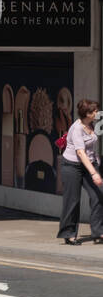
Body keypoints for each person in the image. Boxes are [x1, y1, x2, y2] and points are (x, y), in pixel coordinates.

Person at [58, 98, 103, 245]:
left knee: (98, 196)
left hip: (89, 163)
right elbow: (80, 153)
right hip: (72, 166)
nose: (97, 113)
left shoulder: (92, 124)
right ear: (87, 114)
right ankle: (69, 234)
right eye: (95, 111)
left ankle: (98, 232)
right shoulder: (76, 128)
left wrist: (95, 160)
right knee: (73, 200)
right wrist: (94, 173)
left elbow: (90, 147)